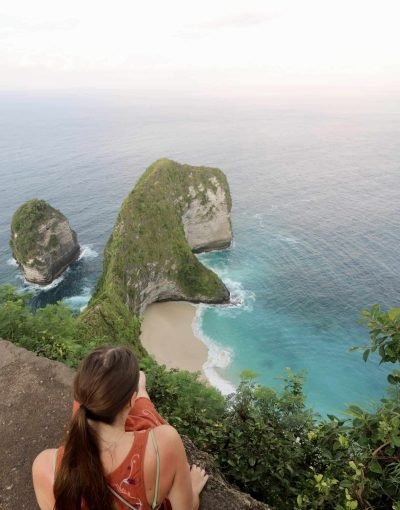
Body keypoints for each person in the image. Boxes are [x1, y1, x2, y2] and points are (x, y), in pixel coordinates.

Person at [32, 345, 209, 510]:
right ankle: (141, 391)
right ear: (130, 401)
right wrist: (192, 488)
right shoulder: (164, 445)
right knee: (145, 415)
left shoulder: (44, 466)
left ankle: (139, 390)